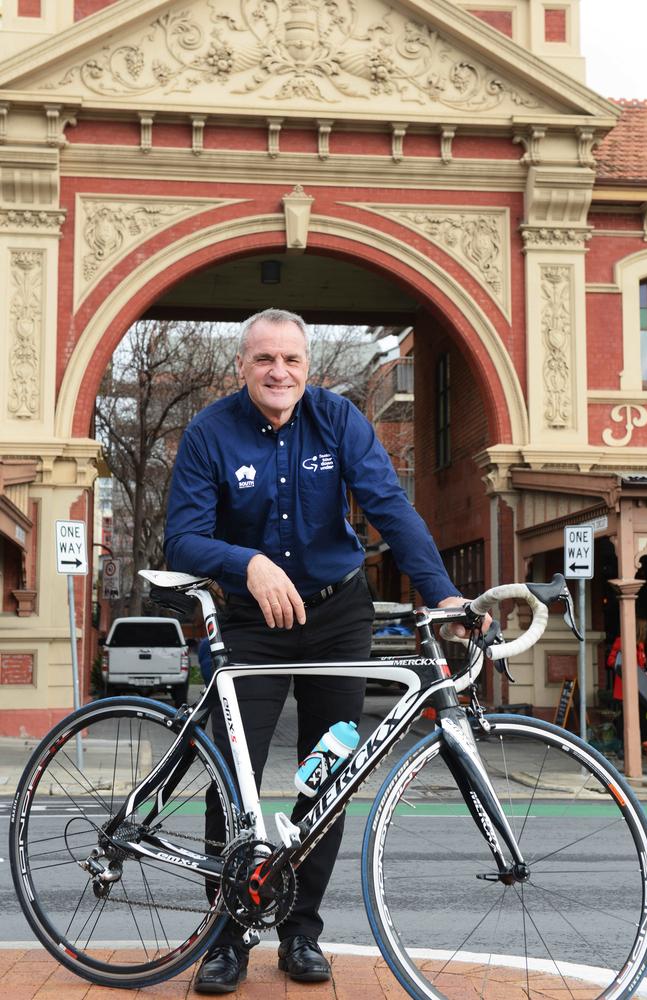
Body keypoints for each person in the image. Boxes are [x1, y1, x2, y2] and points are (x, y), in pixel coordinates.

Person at [164, 308, 473, 994]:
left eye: (291, 360)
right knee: (230, 782)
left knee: (328, 774)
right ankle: (229, 935)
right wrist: (246, 562)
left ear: (309, 368)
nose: (278, 372)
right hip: (249, 623)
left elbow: (388, 505)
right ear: (241, 367)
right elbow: (180, 540)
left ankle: (300, 932)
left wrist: (443, 594)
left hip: (337, 617)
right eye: (264, 359)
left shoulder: (338, 420)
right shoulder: (210, 432)